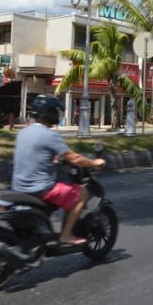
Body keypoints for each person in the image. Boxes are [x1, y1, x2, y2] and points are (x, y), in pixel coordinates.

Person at [11, 94, 105, 245]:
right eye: (55, 112)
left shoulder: (23, 133)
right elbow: (74, 158)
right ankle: (66, 235)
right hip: (41, 188)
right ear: (48, 113)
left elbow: (34, 153)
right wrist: (94, 162)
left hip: (19, 187)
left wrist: (53, 159)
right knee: (82, 193)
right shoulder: (49, 135)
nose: (57, 115)